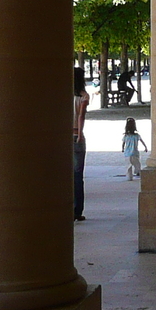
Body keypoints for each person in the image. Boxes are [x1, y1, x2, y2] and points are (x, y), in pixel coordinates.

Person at [73, 66, 90, 221]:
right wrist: (79, 134)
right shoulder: (84, 96)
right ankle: (77, 210)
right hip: (76, 135)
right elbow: (81, 116)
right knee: (78, 175)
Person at [121, 117, 148, 181]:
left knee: (128, 167)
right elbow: (142, 141)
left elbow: (123, 143)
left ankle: (129, 177)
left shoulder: (126, 136)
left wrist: (122, 149)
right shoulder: (137, 135)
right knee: (137, 165)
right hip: (135, 153)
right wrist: (145, 147)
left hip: (127, 154)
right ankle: (138, 172)